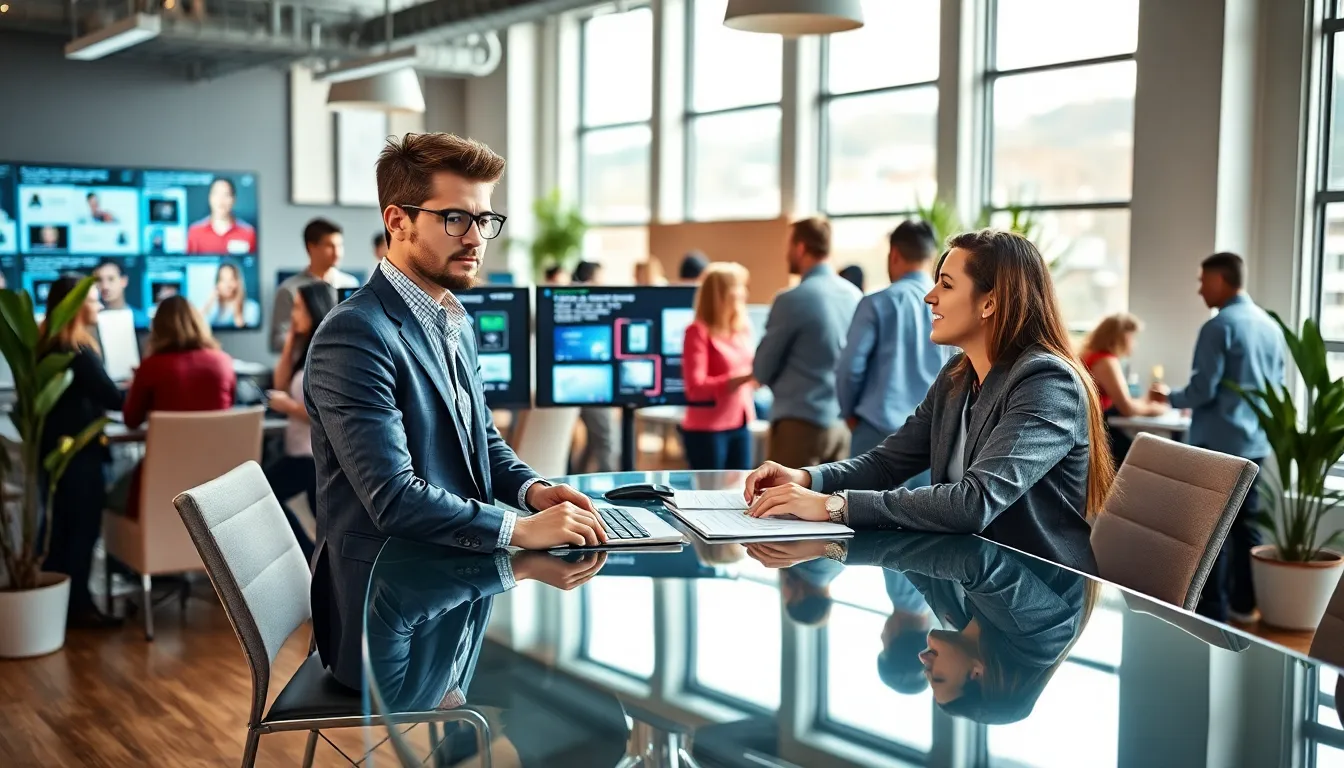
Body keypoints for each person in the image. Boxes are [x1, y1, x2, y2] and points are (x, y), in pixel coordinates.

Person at [305, 131, 606, 689]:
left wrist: (535, 492)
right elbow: (393, 498)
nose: (475, 238)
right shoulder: (354, 334)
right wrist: (521, 529)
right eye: (454, 219)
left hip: (450, 583)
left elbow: (482, 441)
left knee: (576, 692)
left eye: (485, 220)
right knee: (570, 700)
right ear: (397, 221)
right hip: (384, 619)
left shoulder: (453, 318)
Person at [742, 229, 1115, 573]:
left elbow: (974, 502)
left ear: (989, 303)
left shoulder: (1046, 381)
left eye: (946, 285)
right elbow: (887, 463)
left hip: (1037, 593)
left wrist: (832, 506)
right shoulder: (959, 374)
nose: (929, 295)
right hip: (970, 579)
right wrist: (807, 477)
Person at [1150, 252, 1284, 623]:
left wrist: (1170, 396)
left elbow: (1203, 389)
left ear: (1222, 280)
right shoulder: (1269, 326)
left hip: (1218, 447)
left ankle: (1212, 613)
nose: (1199, 289)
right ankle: (1244, 607)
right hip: (1256, 443)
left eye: (1203, 281)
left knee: (1212, 532)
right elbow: (1279, 387)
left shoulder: (1219, 326)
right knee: (1247, 528)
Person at [39, 275, 125, 628]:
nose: (100, 305)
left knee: (61, 530)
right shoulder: (77, 353)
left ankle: (56, 609)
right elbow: (115, 399)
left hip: (56, 456)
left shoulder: (47, 348)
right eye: (92, 299)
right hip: (80, 456)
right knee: (82, 530)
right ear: (76, 306)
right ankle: (79, 608)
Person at [837, 220, 947, 480]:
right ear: (931, 257)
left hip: (876, 433)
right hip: (930, 439)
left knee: (859, 516)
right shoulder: (950, 308)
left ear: (894, 254)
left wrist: (850, 414)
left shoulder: (876, 303)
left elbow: (849, 367)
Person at [753, 217, 862, 467]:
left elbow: (762, 369)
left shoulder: (791, 300)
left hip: (799, 428)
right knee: (832, 505)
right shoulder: (855, 296)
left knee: (784, 504)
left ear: (800, 248)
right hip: (842, 428)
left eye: (789, 245)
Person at [113, 296, 235, 517]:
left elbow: (131, 419)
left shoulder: (151, 367)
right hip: (214, 484)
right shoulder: (223, 362)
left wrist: (137, 385)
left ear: (158, 329)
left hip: (161, 482)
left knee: (113, 493)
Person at [265, 282, 337, 563]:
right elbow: (280, 383)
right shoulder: (305, 348)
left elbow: (323, 412)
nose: (292, 314)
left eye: (298, 308)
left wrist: (288, 407)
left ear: (314, 309)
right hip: (300, 453)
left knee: (264, 496)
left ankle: (307, 559)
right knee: (326, 527)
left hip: (312, 456)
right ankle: (316, 563)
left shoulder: (325, 352)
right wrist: (292, 339)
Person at [680, 263, 756, 470]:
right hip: (708, 430)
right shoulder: (697, 332)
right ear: (721, 294)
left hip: (741, 422)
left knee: (742, 494)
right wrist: (741, 378)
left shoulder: (741, 329)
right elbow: (695, 389)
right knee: (708, 497)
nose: (744, 293)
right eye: (739, 287)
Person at [1080, 312, 1169, 466]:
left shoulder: (1093, 356)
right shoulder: (1106, 361)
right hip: (1094, 431)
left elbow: (1122, 401)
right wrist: (1153, 409)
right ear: (1121, 336)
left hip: (1089, 427)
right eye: (1133, 337)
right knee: (1140, 459)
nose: (1135, 343)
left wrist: (1145, 401)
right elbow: (1126, 407)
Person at [271, 218, 360, 353]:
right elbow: (277, 341)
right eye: (330, 246)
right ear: (311, 247)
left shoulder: (350, 284)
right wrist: (302, 335)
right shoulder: (289, 289)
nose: (337, 253)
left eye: (340, 245)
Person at [570, 259, 618, 473]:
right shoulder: (588, 303)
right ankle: (618, 491)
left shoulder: (567, 300)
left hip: (575, 380)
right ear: (589, 279)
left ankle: (574, 482)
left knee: (594, 439)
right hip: (591, 383)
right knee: (606, 439)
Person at [186, 177, 257, 255]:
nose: (221, 200)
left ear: (234, 199)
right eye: (216, 194)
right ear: (210, 198)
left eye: (226, 194)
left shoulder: (248, 232)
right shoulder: (195, 231)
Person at [201, 261, 261, 328]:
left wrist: (238, 313)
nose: (227, 285)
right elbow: (194, 327)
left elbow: (247, 335)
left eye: (231, 279)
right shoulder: (212, 308)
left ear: (238, 282)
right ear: (217, 283)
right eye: (223, 280)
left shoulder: (251, 307)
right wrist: (208, 304)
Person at [92, 259, 147, 327]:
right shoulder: (92, 321)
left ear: (124, 281)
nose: (105, 286)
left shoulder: (141, 321)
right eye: (99, 280)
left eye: (111, 279)